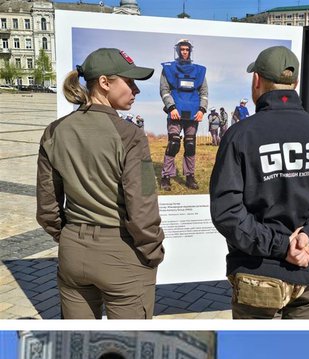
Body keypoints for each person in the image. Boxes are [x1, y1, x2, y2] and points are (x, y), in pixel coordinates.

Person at [209, 45, 309, 320]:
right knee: (307, 357)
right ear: (295, 83)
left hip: (257, 274)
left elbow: (227, 212)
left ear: (256, 81)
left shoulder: (239, 136)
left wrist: (282, 245)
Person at [36, 47, 164, 319]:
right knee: (129, 351)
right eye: (129, 83)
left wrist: (69, 237)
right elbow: (142, 204)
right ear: (104, 83)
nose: (135, 91)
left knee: (78, 346)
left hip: (72, 252)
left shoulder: (55, 131)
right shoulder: (130, 135)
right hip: (122, 252)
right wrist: (153, 252)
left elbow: (47, 206)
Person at [159, 39, 207, 191]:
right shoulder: (168, 69)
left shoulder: (199, 71)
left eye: (187, 49)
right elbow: (164, 90)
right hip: (175, 113)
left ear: (190, 51)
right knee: (173, 144)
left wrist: (202, 110)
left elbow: (204, 92)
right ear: (178, 50)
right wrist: (171, 107)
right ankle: (166, 177)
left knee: (190, 145)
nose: (184, 52)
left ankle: (190, 176)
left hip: (193, 114)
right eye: (182, 49)